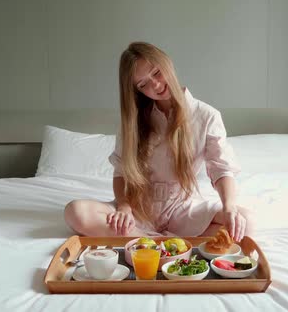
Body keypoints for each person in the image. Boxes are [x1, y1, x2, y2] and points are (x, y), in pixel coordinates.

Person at [64, 42, 253, 242]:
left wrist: (229, 207)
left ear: (167, 64)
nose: (155, 85)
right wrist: (124, 208)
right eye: (143, 84)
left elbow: (221, 169)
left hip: (182, 209)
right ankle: (159, 245)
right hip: (139, 210)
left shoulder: (207, 116)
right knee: (75, 212)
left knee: (245, 221)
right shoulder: (133, 121)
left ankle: (145, 244)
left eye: (156, 73)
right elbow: (121, 172)